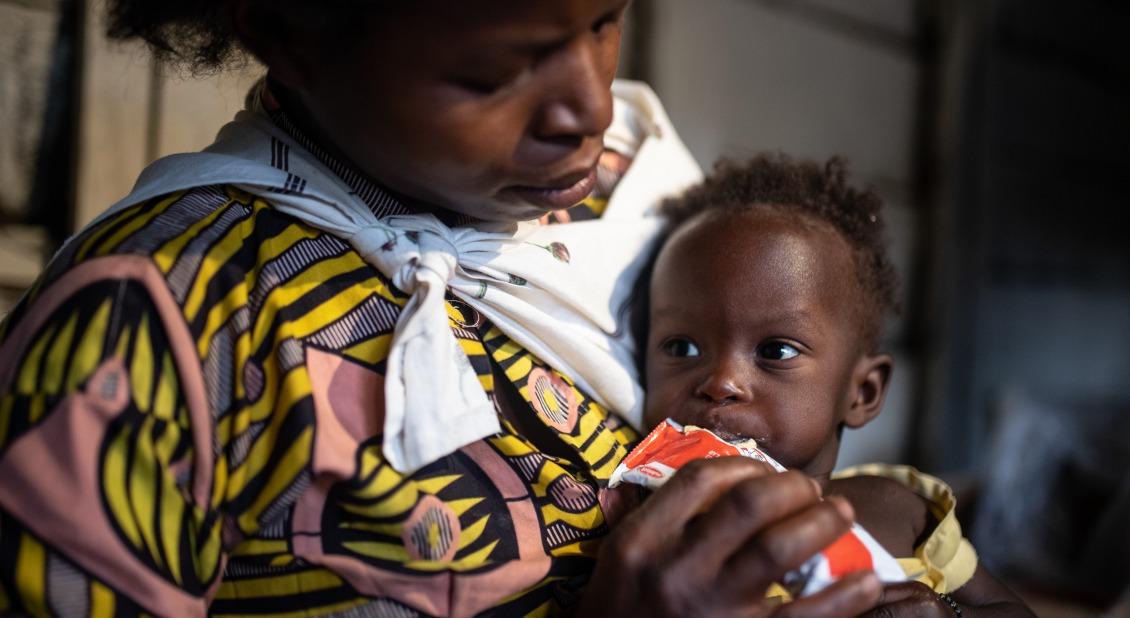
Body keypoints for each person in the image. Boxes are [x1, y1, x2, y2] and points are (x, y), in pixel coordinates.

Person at [0, 1, 885, 616]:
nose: (589, 107)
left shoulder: (627, 202)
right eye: (497, 70)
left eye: (602, 22)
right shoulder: (154, 324)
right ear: (291, 39)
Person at [636, 152, 1036, 616]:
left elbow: (1011, 609)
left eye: (776, 351)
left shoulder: (897, 511)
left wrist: (948, 611)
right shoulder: (655, 533)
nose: (721, 383)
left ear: (862, 392)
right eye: (682, 347)